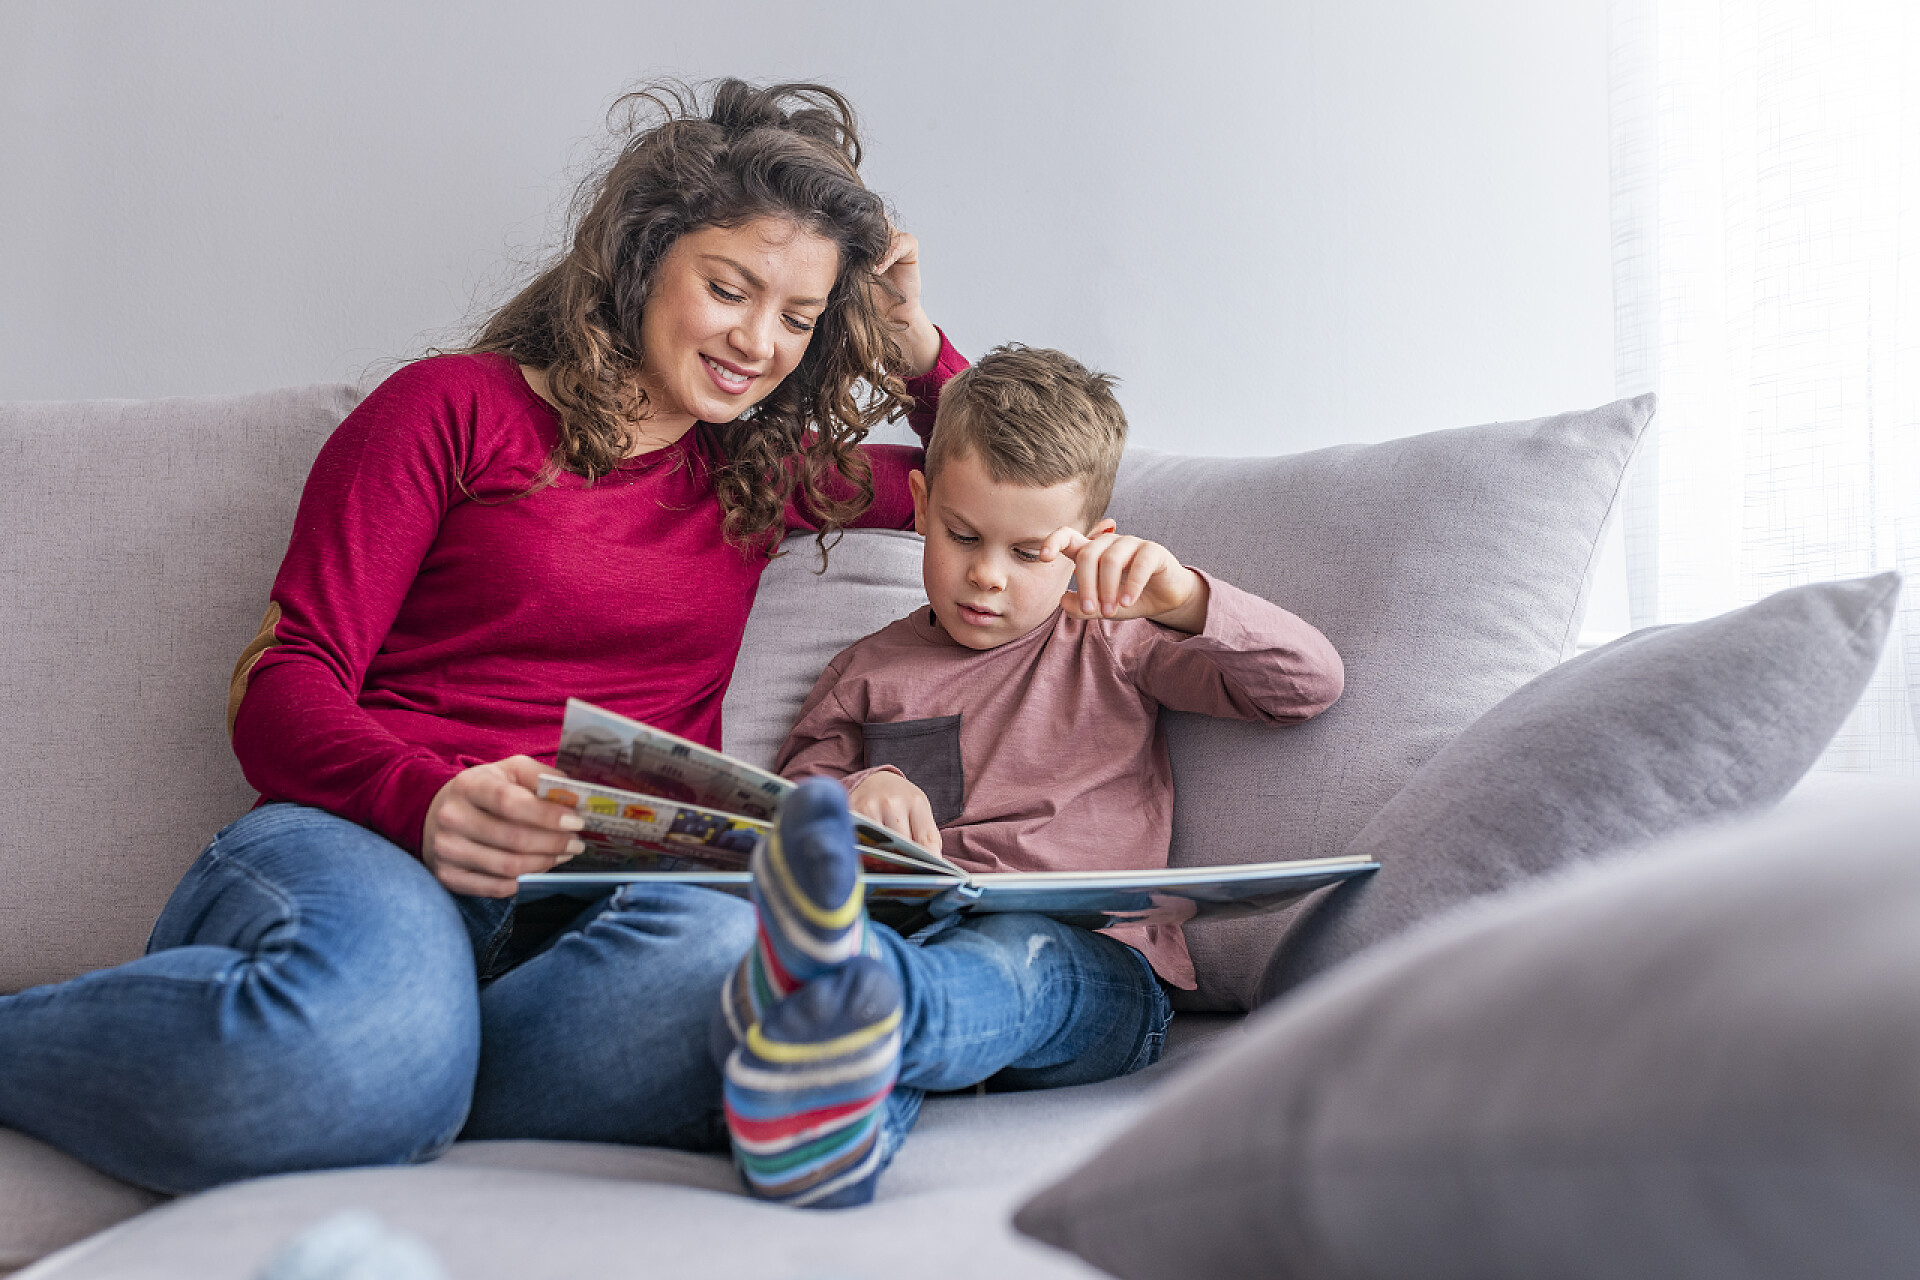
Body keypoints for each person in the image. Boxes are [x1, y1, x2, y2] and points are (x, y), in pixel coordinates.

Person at [0, 79, 968, 1194]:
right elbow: (280, 686)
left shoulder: (755, 477)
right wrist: (430, 800)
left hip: (605, 902)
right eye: (729, 288)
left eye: (797, 318)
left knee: (736, 966)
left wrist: (911, 341)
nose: (759, 341)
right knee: (366, 1052)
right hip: (369, 845)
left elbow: (1003, 496)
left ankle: (406, 1077)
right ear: (644, 258)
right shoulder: (451, 411)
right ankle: (373, 1063)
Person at [712, 345, 1345, 1207]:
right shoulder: (867, 669)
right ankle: (826, 1136)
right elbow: (791, 808)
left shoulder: (1113, 639)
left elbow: (1304, 685)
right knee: (886, 979)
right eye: (962, 536)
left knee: (1017, 960)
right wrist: (856, 797)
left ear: (1088, 548)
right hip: (920, 938)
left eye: (1029, 552)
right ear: (925, 509)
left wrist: (1184, 598)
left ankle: (861, 1005)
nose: (986, 575)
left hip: (1097, 971)